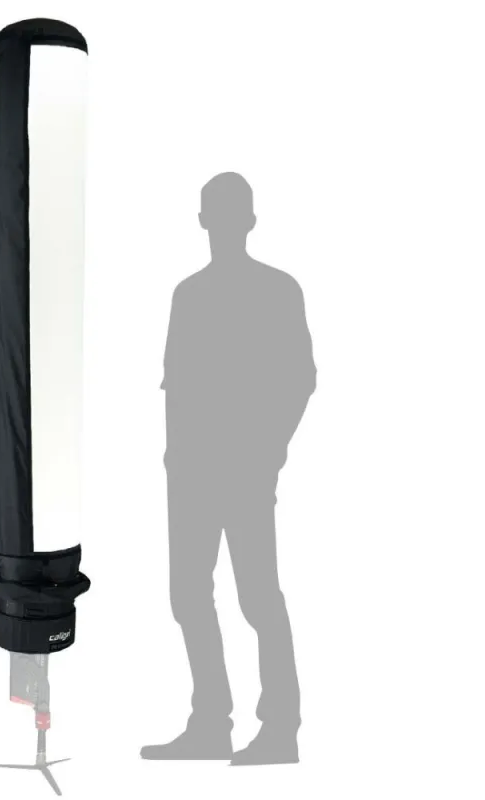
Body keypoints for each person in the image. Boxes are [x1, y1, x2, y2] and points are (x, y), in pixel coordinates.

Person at [141, 173, 316, 764]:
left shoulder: (277, 289)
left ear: (246, 222)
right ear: (204, 222)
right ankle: (212, 725)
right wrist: (174, 459)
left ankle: (280, 730)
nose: (219, 226)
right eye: (214, 215)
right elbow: (177, 386)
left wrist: (269, 451)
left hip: (243, 471)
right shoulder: (188, 295)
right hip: (192, 474)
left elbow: (300, 378)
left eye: (226, 214)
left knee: (258, 598)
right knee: (189, 596)